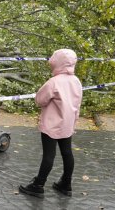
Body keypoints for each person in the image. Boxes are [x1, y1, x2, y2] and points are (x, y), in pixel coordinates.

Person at [19, 49, 83, 198]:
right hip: (68, 123)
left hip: (51, 124)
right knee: (67, 152)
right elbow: (78, 103)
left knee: (49, 155)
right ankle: (66, 184)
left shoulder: (53, 82)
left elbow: (40, 100)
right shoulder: (76, 81)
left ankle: (38, 185)